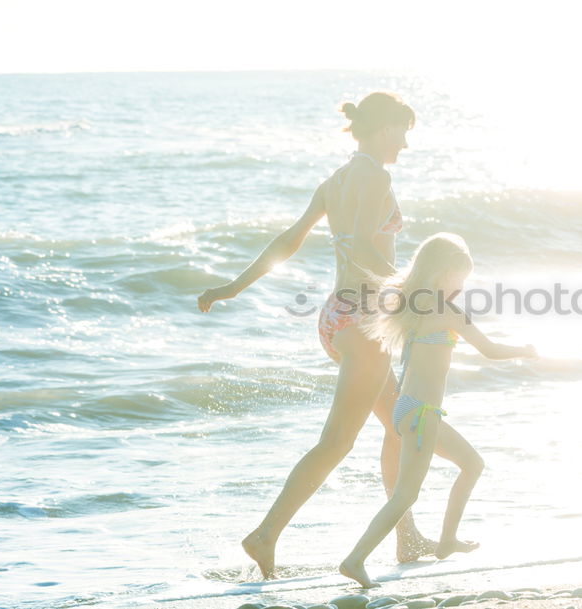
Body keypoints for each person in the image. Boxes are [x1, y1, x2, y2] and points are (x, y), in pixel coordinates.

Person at [197, 92, 476, 579]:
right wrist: (417, 294)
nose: (405, 144)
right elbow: (368, 243)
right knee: (337, 441)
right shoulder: (375, 176)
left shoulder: (337, 180)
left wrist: (232, 287)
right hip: (364, 319)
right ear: (386, 127)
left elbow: (290, 240)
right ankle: (264, 536)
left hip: (336, 317)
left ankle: (406, 538)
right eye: (403, 131)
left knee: (397, 427)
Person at [338, 233, 538, 588]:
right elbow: (489, 350)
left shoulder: (414, 304)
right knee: (406, 494)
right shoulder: (447, 310)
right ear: (444, 271)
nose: (461, 287)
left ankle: (447, 541)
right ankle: (355, 560)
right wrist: (525, 350)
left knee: (472, 464)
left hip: (409, 408)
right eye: (460, 278)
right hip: (423, 413)